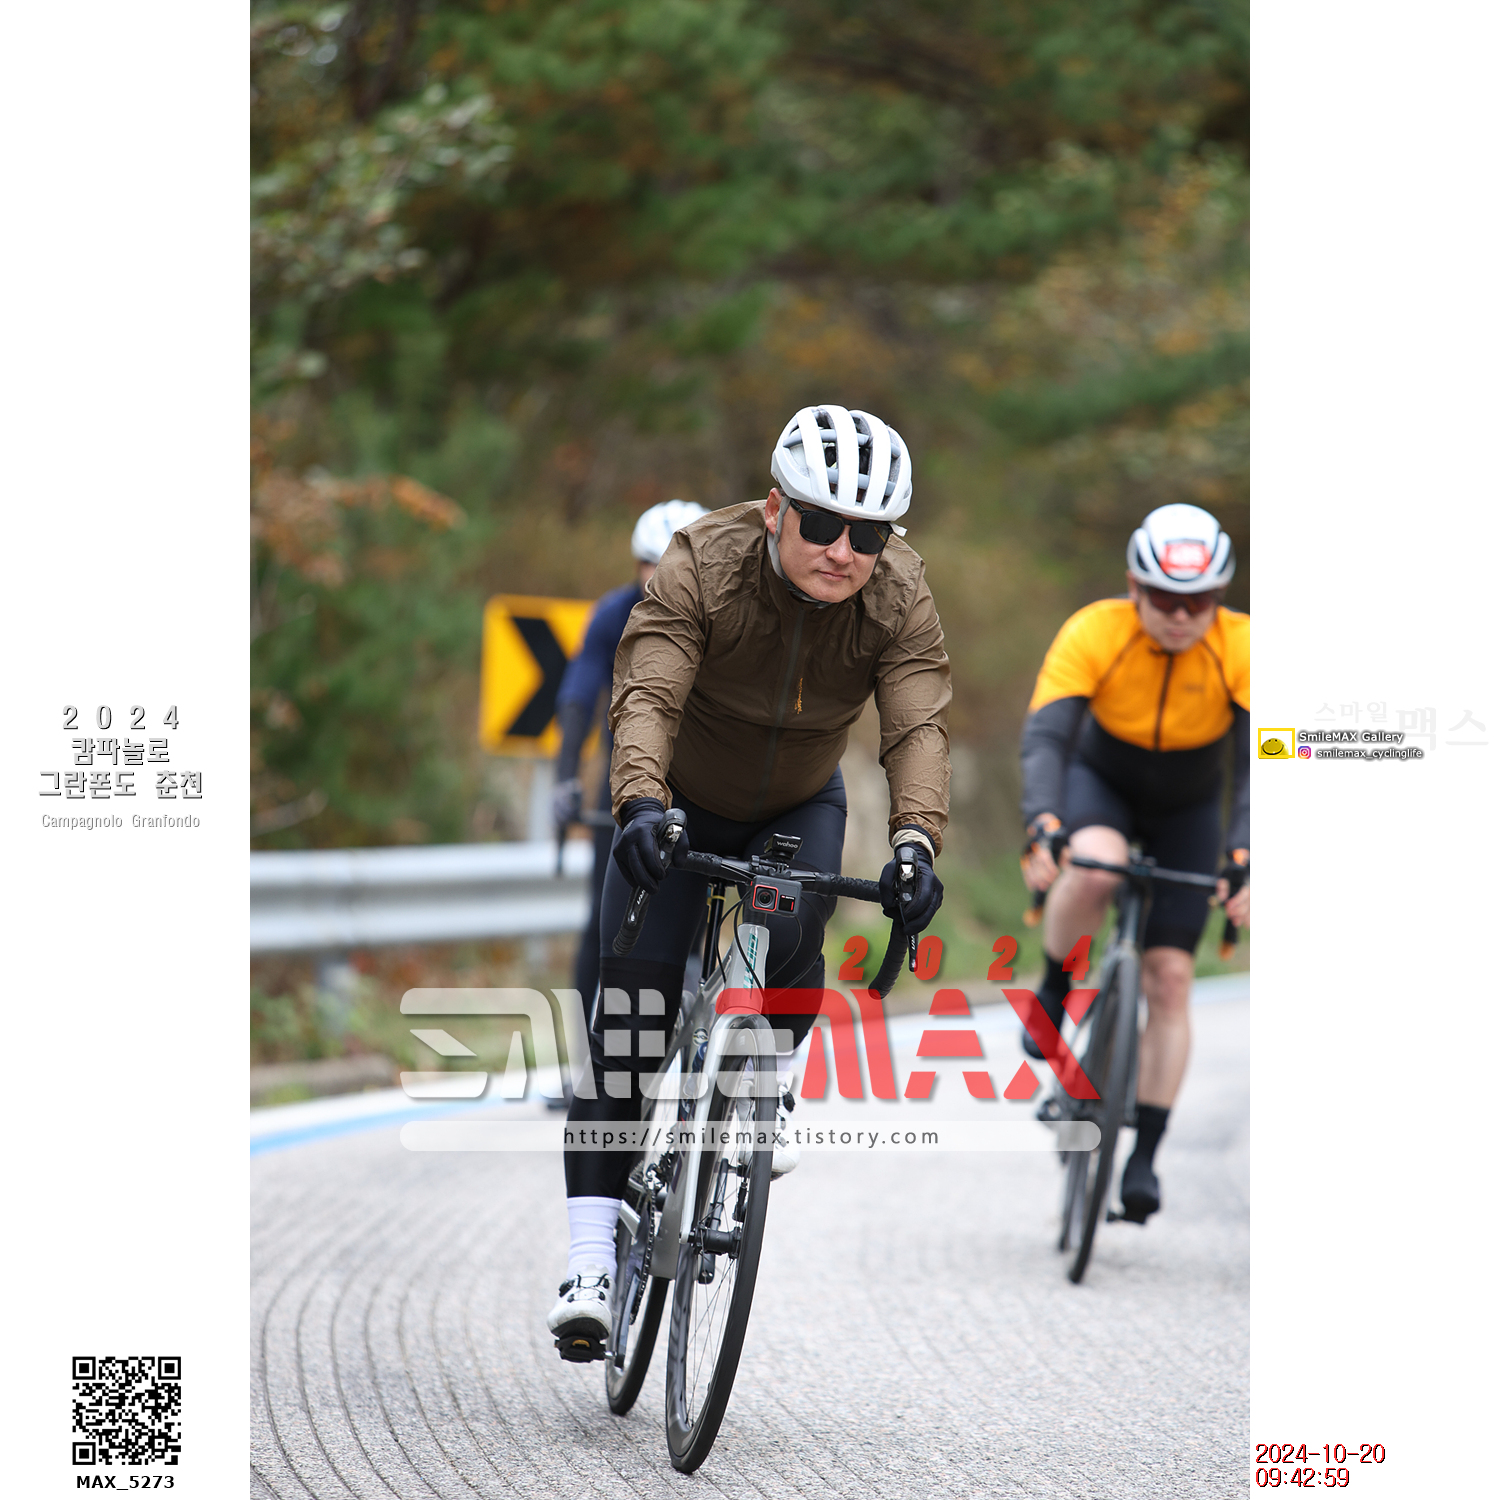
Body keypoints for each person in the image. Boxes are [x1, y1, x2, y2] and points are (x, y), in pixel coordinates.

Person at [547, 404, 952, 1360]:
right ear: (776, 510)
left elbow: (917, 725)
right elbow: (648, 692)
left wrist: (916, 844)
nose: (843, 550)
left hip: (797, 802)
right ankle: (589, 1262)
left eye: (868, 534)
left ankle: (763, 1076)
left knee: (801, 919)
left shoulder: (899, 592)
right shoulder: (703, 560)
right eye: (822, 523)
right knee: (630, 1027)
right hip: (677, 799)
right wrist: (638, 802)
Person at [1018, 502, 1250, 1225]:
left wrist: (1246, 853)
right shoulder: (1096, 629)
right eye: (1164, 598)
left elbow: (1267, 760)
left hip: (1189, 807)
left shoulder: (1244, 647)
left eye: (1199, 602)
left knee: (1171, 978)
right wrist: (1043, 821)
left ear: (1219, 597)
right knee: (1093, 866)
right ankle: (1057, 984)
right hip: (1104, 785)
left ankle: (1145, 1154)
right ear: (1133, 586)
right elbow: (1047, 737)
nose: (1180, 616)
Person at [552, 499, 708, 1014]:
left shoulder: (722, 616)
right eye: (649, 564)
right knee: (602, 918)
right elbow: (578, 698)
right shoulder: (614, 613)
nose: (660, 577)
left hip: (700, 782)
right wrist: (565, 779)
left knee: (691, 923)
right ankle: (584, 1052)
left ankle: (688, 1018)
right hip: (624, 781)